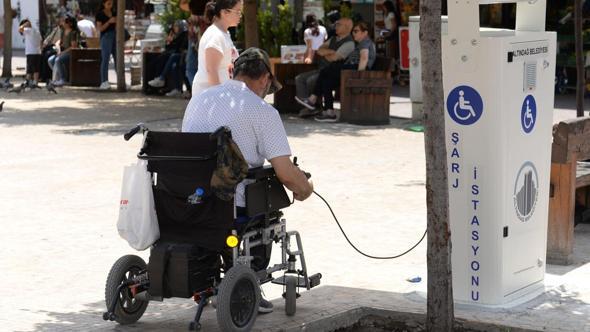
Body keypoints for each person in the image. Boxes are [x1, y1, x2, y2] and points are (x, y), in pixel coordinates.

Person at [182, 48, 314, 313]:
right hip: (233, 204)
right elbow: (286, 172)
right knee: (267, 202)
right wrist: (305, 188)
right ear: (265, 79)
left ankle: (215, 276)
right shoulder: (262, 111)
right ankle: (249, 279)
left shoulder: (199, 100)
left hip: (189, 199)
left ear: (232, 72)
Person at [299, 21, 376, 123]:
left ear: (365, 33)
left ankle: (313, 99)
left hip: (354, 70)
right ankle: (329, 112)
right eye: (353, 31)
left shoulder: (365, 42)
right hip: (351, 69)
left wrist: (359, 75)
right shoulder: (361, 43)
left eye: (356, 31)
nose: (354, 33)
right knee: (327, 81)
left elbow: (364, 58)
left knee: (327, 70)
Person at [294, 17, 354, 117]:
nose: (336, 26)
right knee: (299, 78)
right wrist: (330, 52)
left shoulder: (349, 43)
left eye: (339, 24)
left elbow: (333, 58)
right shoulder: (334, 39)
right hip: (322, 69)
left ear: (347, 27)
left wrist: (327, 54)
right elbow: (319, 49)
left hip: (333, 73)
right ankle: (308, 107)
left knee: (311, 80)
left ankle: (315, 106)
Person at [191, 0, 242, 97]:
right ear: (224, 12)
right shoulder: (216, 36)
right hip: (209, 99)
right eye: (238, 11)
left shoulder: (224, 33)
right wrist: (219, 99)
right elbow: (211, 71)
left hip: (218, 96)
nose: (240, 15)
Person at [147, 20, 189, 97]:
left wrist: (171, 42)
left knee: (170, 57)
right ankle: (176, 89)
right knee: (172, 65)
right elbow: (170, 47)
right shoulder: (177, 35)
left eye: (176, 26)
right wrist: (169, 41)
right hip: (180, 57)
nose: (174, 28)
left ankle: (161, 78)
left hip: (183, 57)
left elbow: (178, 48)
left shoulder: (184, 35)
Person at [47, 15, 80, 86]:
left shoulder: (73, 32)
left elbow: (73, 46)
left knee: (58, 60)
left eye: (64, 22)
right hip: (63, 51)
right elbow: (60, 42)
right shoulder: (63, 31)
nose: (63, 23)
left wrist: (62, 53)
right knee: (50, 60)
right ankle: (58, 77)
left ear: (69, 24)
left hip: (70, 53)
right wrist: (58, 49)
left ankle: (63, 79)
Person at [95, 0, 118, 90]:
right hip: (106, 37)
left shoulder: (114, 12)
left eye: (111, 4)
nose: (110, 6)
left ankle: (120, 79)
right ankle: (104, 81)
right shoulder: (100, 14)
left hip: (115, 36)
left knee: (117, 58)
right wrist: (109, 22)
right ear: (104, 4)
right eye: (108, 4)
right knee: (105, 59)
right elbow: (100, 29)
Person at [18, 19, 42, 88]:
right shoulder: (36, 30)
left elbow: (20, 29)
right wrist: (40, 49)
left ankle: (27, 81)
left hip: (30, 52)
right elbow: (41, 40)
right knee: (36, 68)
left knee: (29, 69)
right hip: (37, 52)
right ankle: (35, 82)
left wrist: (24, 25)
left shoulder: (28, 30)